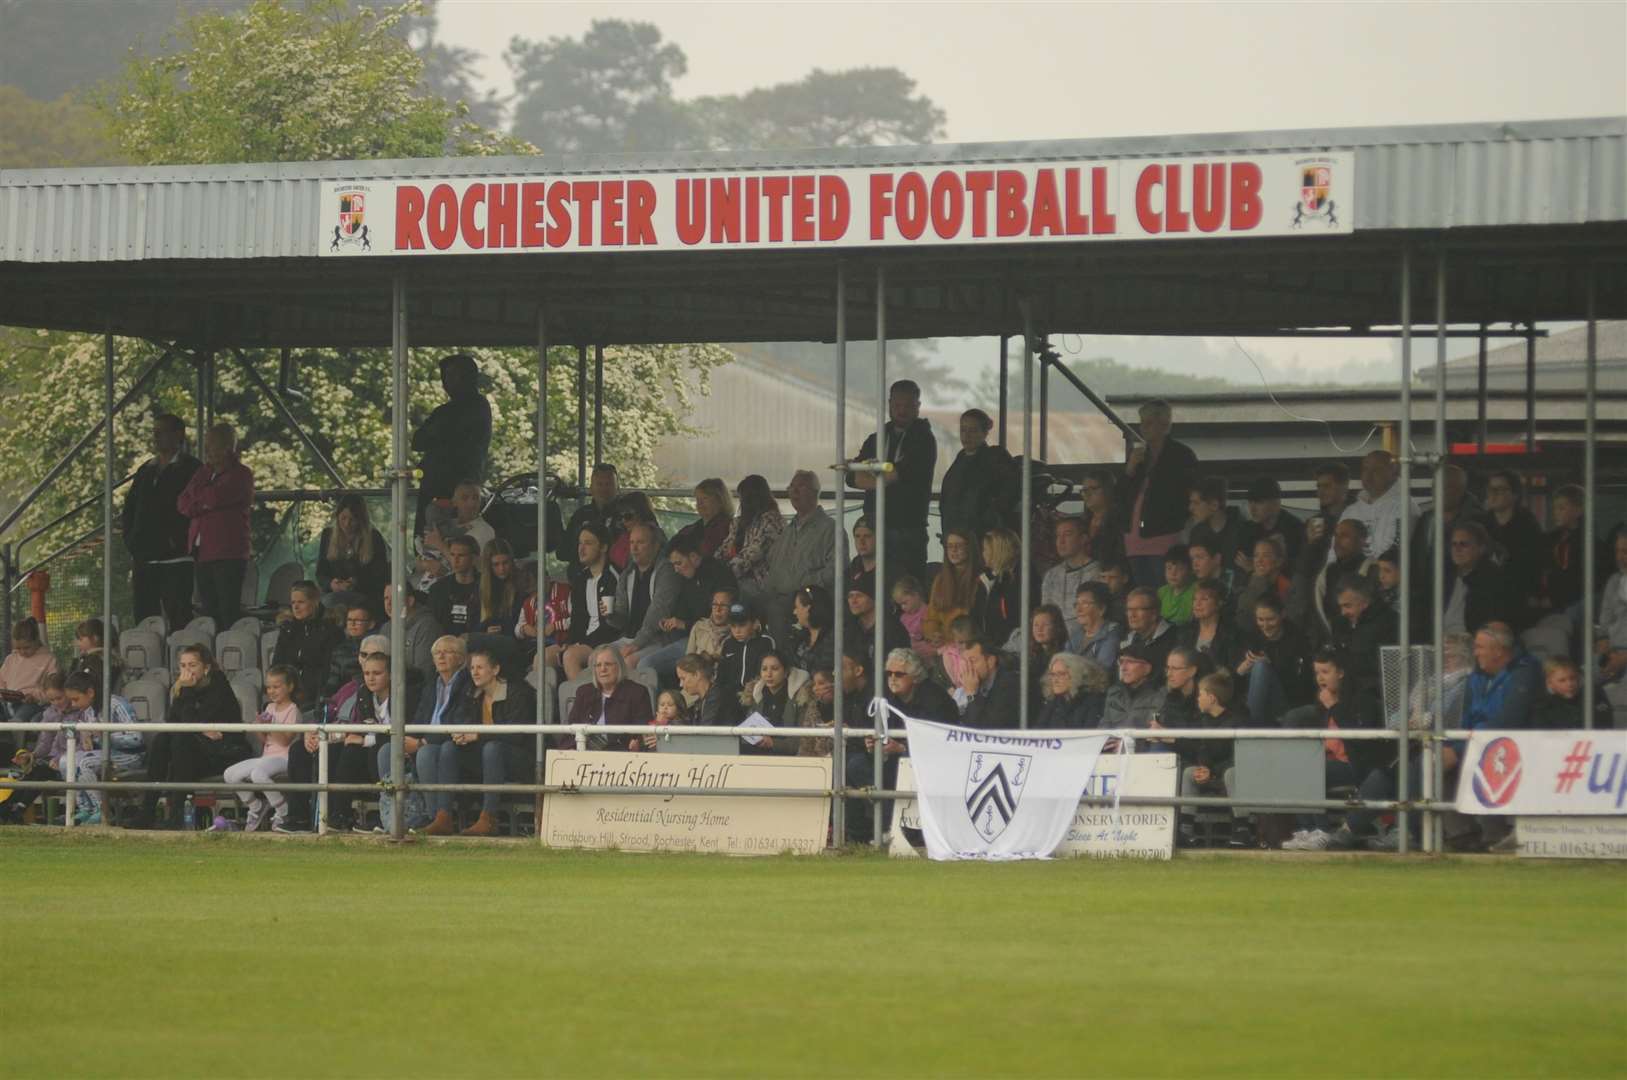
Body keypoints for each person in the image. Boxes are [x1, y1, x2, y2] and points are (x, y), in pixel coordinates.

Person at [1279, 648, 1386, 851]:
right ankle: (1307, 830)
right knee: (1293, 766)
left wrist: (1334, 708)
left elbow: (1359, 739)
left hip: (1357, 765)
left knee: (1309, 769)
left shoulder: (1363, 699)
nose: (1320, 678)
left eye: (1325, 672)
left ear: (1341, 673)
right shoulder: (1322, 704)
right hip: (1330, 761)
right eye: (1317, 673)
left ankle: (1322, 831)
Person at [133, 644, 249, 829]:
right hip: (193, 752)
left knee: (182, 739)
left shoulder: (219, 687)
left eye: (192, 665)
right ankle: (147, 810)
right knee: (164, 739)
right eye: (183, 666)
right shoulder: (185, 688)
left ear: (206, 667)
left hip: (223, 753)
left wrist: (187, 697)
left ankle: (178, 816)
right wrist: (194, 721)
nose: (187, 671)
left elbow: (193, 723)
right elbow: (174, 723)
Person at [846, 647, 955, 842]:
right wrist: (872, 743)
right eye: (889, 674)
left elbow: (942, 742)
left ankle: (904, 831)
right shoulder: (886, 698)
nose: (892, 678)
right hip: (894, 761)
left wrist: (903, 748)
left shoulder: (935, 699)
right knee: (856, 764)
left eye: (899, 674)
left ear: (915, 676)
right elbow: (873, 728)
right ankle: (885, 828)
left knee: (904, 763)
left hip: (931, 765)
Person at [848, 379, 937, 575]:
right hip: (875, 527)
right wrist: (877, 476)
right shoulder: (878, 437)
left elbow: (896, 474)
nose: (902, 410)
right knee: (873, 587)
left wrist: (870, 475)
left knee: (906, 588)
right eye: (897, 405)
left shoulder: (923, 439)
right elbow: (851, 478)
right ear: (889, 404)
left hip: (908, 530)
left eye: (908, 406)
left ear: (918, 407)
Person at [121, 412, 201, 627]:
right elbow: (129, 509)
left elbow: (195, 509)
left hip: (176, 559)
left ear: (178, 435)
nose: (156, 437)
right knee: (144, 618)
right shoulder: (146, 470)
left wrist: (178, 540)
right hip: (144, 557)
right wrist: (132, 540)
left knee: (179, 617)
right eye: (154, 432)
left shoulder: (192, 468)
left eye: (162, 432)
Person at [176, 421, 254, 629]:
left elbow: (215, 497)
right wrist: (200, 500)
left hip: (227, 552)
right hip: (202, 552)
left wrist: (198, 500)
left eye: (212, 445)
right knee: (208, 610)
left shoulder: (241, 474)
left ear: (228, 447)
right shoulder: (204, 472)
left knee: (227, 609)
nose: (207, 450)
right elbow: (183, 503)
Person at [454, 643, 535, 837]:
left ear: (496, 669)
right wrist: (460, 734)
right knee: (448, 749)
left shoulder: (518, 692)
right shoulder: (471, 693)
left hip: (523, 758)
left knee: (492, 748)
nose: (475, 672)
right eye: (472, 668)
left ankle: (488, 818)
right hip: (486, 756)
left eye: (480, 667)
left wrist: (479, 735)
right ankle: (443, 816)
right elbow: (460, 719)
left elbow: (517, 735)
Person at [635, 534, 737, 684]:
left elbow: (720, 621)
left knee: (646, 665)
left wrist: (684, 624)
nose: (676, 570)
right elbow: (682, 613)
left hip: (711, 641)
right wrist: (671, 622)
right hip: (685, 637)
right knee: (641, 663)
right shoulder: (687, 578)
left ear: (694, 557)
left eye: (679, 563)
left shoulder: (719, 575)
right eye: (673, 565)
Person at [1119, 399, 1199, 588]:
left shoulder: (1182, 455)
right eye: (1142, 423)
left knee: (1164, 590)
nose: (1143, 428)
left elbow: (1190, 493)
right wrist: (1129, 470)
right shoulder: (1138, 455)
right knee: (1143, 593)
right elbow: (1121, 494)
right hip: (1134, 537)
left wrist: (1176, 520)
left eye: (1148, 423)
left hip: (1164, 535)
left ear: (1164, 425)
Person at [752, 470, 835, 648]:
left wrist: (804, 587)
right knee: (747, 605)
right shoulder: (788, 531)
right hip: (780, 595)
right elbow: (773, 568)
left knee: (776, 609)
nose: (794, 492)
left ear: (815, 492)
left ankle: (787, 665)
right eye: (792, 487)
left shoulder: (830, 529)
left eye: (801, 487)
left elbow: (836, 569)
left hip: (811, 598)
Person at [412, 352, 492, 537]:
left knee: (454, 543)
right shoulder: (448, 411)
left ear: (469, 377)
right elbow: (418, 441)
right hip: (437, 489)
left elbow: (426, 438)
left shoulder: (473, 407)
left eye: (452, 376)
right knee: (429, 542)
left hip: (456, 491)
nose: (447, 382)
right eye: (445, 377)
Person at [408, 636, 473, 837]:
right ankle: (394, 816)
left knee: (426, 753)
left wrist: (421, 742)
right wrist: (408, 740)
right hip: (426, 741)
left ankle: (437, 816)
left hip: (453, 745)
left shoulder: (467, 684)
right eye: (437, 653)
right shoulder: (431, 685)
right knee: (387, 750)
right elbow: (420, 718)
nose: (441, 656)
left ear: (461, 659)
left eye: (448, 652)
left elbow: (459, 720)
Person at [222, 665, 300, 832]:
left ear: (290, 687)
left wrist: (270, 725)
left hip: (285, 758)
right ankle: (256, 806)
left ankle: (283, 810)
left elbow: (286, 741)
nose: (271, 691)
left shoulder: (293, 709)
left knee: (258, 773)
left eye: (276, 687)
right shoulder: (269, 707)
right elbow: (265, 740)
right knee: (229, 774)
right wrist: (258, 727)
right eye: (268, 687)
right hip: (267, 757)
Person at [1175, 671, 1248, 848]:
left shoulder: (1237, 721)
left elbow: (1238, 758)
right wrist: (1203, 768)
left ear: (1212, 698)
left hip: (1230, 775)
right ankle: (1186, 829)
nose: (1197, 698)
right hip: (1210, 774)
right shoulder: (1200, 720)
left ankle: (1242, 830)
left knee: (1232, 773)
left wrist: (1213, 772)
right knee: (1189, 772)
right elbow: (1200, 748)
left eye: (1200, 694)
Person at [62, 671, 142, 827]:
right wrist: (88, 739)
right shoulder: (88, 711)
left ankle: (102, 810)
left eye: (76, 699)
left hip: (130, 756)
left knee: (85, 762)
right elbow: (94, 741)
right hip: (104, 754)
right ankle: (85, 807)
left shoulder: (117, 704)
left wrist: (106, 734)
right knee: (66, 761)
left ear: (90, 692)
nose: (73, 705)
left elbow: (136, 738)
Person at [545, 524, 620, 680]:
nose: (581, 548)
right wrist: (570, 641)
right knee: (544, 656)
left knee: (570, 656)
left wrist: (579, 644)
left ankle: (584, 702)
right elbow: (578, 618)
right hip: (582, 641)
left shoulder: (614, 576)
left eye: (588, 543)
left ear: (604, 547)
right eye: (580, 543)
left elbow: (613, 625)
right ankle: (552, 703)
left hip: (607, 640)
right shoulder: (580, 579)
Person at [2, 673, 78, 825]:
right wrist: (32, 755)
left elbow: (81, 744)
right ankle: (12, 809)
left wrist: (58, 758)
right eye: (51, 700)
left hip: (73, 761)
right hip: (52, 762)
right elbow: (45, 742)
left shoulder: (80, 712)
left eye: (59, 698)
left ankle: (12, 810)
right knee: (34, 769)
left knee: (38, 772)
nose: (56, 703)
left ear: (68, 693)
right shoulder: (49, 713)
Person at [938, 407, 1017, 541]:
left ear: (985, 433)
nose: (966, 435)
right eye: (963, 430)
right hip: (955, 534)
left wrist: (990, 519)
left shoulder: (995, 458)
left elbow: (1010, 491)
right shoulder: (961, 458)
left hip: (982, 536)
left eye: (973, 431)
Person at [1234, 594, 1314, 725]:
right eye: (1260, 619)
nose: (1265, 625)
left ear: (1282, 614)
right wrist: (1240, 671)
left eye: (1270, 619)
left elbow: (1303, 688)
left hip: (1288, 704)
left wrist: (1271, 666)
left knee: (1261, 666)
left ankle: (1251, 728)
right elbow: (1235, 687)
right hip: (1254, 703)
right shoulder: (1251, 637)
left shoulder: (1298, 640)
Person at [614, 522, 683, 667]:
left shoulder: (667, 571)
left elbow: (659, 611)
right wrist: (610, 616)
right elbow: (621, 616)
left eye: (640, 542)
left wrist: (636, 644)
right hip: (629, 638)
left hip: (658, 639)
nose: (634, 548)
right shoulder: (627, 573)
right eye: (632, 542)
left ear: (656, 545)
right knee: (596, 657)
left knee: (629, 663)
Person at [567, 645, 654, 752]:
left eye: (608, 664)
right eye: (598, 665)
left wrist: (637, 743)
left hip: (621, 755)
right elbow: (571, 729)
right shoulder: (584, 693)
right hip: (585, 753)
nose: (603, 669)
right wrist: (570, 748)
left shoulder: (637, 693)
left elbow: (643, 731)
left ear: (619, 666)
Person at [1480, 470, 1545, 612]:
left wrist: (1534, 594)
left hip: (1519, 597)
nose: (1493, 494)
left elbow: (1535, 564)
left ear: (1515, 495)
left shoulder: (1528, 524)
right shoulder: (1481, 523)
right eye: (1490, 489)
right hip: (1486, 595)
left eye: (1500, 489)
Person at [271, 581, 343, 709]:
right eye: (293, 603)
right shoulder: (287, 629)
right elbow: (277, 665)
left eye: (301, 602)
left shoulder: (330, 630)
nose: (296, 607)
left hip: (314, 698)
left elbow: (328, 670)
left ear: (314, 602)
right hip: (287, 695)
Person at [1303, 519, 1376, 645]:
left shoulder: (1373, 569)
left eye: (1344, 536)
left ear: (1362, 540)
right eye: (1336, 536)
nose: (1337, 541)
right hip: (1330, 641)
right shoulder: (1328, 571)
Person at [1442, 521, 1522, 636]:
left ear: (1481, 548)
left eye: (1463, 544)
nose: (1457, 549)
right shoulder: (1446, 576)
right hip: (1440, 641)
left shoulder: (1494, 580)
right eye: (1454, 544)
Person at [1338, 450, 1418, 562]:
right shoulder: (1351, 511)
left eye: (1377, 470)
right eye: (1365, 469)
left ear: (1393, 472)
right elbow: (1334, 551)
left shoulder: (1405, 506)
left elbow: (1391, 553)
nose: (1369, 475)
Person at [316, 493, 388, 614]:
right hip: (334, 593)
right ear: (337, 516)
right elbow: (321, 572)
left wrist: (356, 582)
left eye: (352, 520)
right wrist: (331, 584)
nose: (347, 524)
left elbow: (380, 575)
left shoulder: (373, 538)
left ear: (361, 520)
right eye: (343, 518)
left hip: (364, 594)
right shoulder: (328, 535)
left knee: (333, 602)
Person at [1330, 576, 1398, 700]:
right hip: (1341, 695)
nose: (1343, 612)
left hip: (1374, 699)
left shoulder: (1389, 623)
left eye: (1347, 606)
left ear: (1365, 603)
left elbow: (1385, 667)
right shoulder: (1341, 623)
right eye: (1341, 606)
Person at [420, 479, 496, 584]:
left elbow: (476, 568)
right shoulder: (444, 524)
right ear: (454, 502)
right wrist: (425, 564)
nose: (471, 503)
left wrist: (440, 546)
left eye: (475, 498)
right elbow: (419, 561)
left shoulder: (485, 530)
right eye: (465, 498)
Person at [744, 649, 817, 756]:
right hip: (758, 754)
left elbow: (803, 741)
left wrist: (773, 743)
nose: (768, 674)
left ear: (786, 672)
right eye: (764, 669)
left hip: (789, 757)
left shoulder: (801, 698)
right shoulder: (757, 696)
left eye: (775, 669)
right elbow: (747, 734)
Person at [923, 528, 984, 650]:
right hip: (944, 648)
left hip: (970, 648)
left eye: (959, 545)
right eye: (949, 546)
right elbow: (931, 618)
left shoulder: (980, 578)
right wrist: (933, 634)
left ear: (970, 548)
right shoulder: (940, 579)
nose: (953, 550)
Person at [1042, 517, 1102, 641]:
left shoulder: (1097, 571)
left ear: (1083, 538)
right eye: (1058, 536)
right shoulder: (1051, 575)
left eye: (1067, 534)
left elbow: (1093, 614)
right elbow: (1045, 613)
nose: (1061, 541)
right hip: (1054, 638)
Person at [722, 474, 783, 590]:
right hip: (737, 579)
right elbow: (725, 547)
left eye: (745, 498)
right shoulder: (739, 523)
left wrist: (725, 571)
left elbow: (753, 554)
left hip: (761, 583)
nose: (742, 503)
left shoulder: (772, 521)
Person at [844, 573, 910, 676]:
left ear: (874, 598)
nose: (853, 601)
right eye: (850, 596)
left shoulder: (892, 629)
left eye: (859, 596)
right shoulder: (850, 629)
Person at [1235, 477, 1306, 572]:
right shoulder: (1246, 529)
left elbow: (1294, 569)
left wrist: (1255, 568)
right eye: (1250, 502)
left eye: (1259, 502)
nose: (1252, 509)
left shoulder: (1295, 529)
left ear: (1276, 503)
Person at [557, 462, 622, 564]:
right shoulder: (581, 515)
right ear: (591, 488)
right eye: (599, 484)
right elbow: (562, 552)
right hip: (581, 574)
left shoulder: (627, 515)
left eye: (608, 484)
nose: (604, 489)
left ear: (618, 489)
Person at [378, 583, 442, 686]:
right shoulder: (386, 628)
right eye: (386, 598)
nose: (389, 603)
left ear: (410, 601)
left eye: (394, 598)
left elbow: (424, 673)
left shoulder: (427, 626)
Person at [0, 617, 60, 725]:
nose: (22, 652)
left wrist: (35, 697)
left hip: (33, 704)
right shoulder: (11, 659)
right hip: (7, 702)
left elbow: (54, 687)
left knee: (19, 720)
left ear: (36, 640)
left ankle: (14, 737)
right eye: (18, 648)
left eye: (26, 648)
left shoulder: (49, 659)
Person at [1232, 536, 1293, 635]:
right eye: (1256, 555)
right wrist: (1257, 579)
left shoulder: (1286, 586)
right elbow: (1243, 618)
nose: (1259, 560)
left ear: (1279, 561)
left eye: (1266, 555)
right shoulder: (1248, 581)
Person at [974, 527, 1025, 643]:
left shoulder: (1019, 579)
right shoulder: (988, 579)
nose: (983, 554)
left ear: (998, 551)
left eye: (986, 549)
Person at [1186, 476, 1247, 572]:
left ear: (1214, 505)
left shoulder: (1242, 531)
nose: (1190, 508)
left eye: (1196, 503)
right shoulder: (1196, 533)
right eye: (1191, 502)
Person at [718, 602, 775, 703]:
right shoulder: (728, 644)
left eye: (742, 625)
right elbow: (722, 675)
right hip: (731, 698)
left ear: (754, 624)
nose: (737, 631)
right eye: (733, 626)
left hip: (757, 696)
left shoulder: (765, 642)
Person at [959, 635, 1020, 729]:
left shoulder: (1010, 684)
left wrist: (971, 694)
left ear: (991, 661)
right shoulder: (979, 684)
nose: (968, 667)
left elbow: (987, 728)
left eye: (972, 661)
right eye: (965, 662)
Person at [1036, 651, 1110, 729]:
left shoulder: (1092, 702)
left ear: (1075, 674)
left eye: (1061, 674)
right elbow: (1038, 733)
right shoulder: (1053, 703)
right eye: (1053, 674)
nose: (1055, 680)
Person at [1178, 580, 1238, 672]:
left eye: (1204, 599)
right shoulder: (1185, 631)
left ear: (1219, 603)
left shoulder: (1232, 634)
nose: (1197, 604)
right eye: (1194, 599)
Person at [1100, 644, 1164, 731]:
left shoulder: (1159, 696)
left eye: (1130, 662)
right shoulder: (1114, 692)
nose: (1123, 668)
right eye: (1121, 661)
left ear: (1147, 668)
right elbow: (1104, 724)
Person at [429, 534, 481, 637]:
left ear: (473, 558)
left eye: (461, 555)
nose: (455, 560)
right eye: (452, 555)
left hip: (477, 645)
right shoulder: (438, 589)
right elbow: (432, 625)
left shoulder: (486, 586)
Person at [670, 477, 734, 559]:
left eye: (705, 498)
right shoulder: (691, 528)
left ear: (720, 500)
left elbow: (706, 553)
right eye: (697, 499)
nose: (699, 504)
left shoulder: (727, 526)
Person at [1121, 586, 1176, 680]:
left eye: (1138, 609)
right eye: (1129, 609)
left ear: (1154, 614)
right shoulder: (1127, 638)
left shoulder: (1175, 638)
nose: (1132, 615)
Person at [324, 603, 377, 701]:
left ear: (371, 624)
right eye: (349, 620)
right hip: (341, 698)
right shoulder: (340, 648)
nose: (352, 624)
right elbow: (333, 679)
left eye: (358, 620)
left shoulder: (375, 647)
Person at [1078, 470, 1127, 569]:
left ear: (1108, 489)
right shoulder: (1081, 523)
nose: (1087, 494)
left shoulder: (1120, 520)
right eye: (1084, 490)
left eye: (1094, 488)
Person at [1070, 581, 1121, 673]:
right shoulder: (1076, 634)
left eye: (1085, 604)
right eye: (1077, 604)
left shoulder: (1111, 636)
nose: (1078, 610)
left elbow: (1101, 672)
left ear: (1101, 609)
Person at [676, 653, 737, 728]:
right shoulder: (701, 702)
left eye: (683, 678)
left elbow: (704, 733)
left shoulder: (717, 697)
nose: (681, 684)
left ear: (696, 675)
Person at [608, 490, 664, 570]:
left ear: (641, 513)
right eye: (621, 516)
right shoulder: (625, 535)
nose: (623, 520)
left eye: (628, 516)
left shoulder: (655, 536)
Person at [790, 585, 835, 676]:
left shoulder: (832, 640)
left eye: (796, 607)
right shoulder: (800, 638)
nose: (794, 612)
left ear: (808, 609)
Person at [892, 576, 932, 658]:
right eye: (900, 605)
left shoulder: (929, 612)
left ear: (916, 594)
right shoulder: (904, 618)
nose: (903, 607)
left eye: (905, 603)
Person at [1158, 545, 1196, 625]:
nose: (1173, 573)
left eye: (1180, 569)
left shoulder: (1196, 590)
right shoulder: (1162, 592)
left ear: (1190, 570)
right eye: (1169, 568)